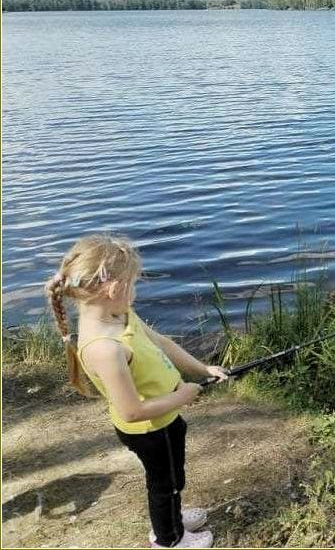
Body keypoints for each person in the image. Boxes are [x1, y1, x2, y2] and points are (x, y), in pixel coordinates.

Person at [44, 233, 228, 548]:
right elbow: (132, 411)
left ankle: (173, 515)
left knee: (174, 476)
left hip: (166, 418)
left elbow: (163, 343)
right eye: (133, 283)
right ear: (113, 288)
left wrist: (202, 369)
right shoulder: (104, 348)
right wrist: (182, 395)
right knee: (163, 483)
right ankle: (168, 539)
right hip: (147, 428)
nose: (135, 290)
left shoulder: (122, 315)